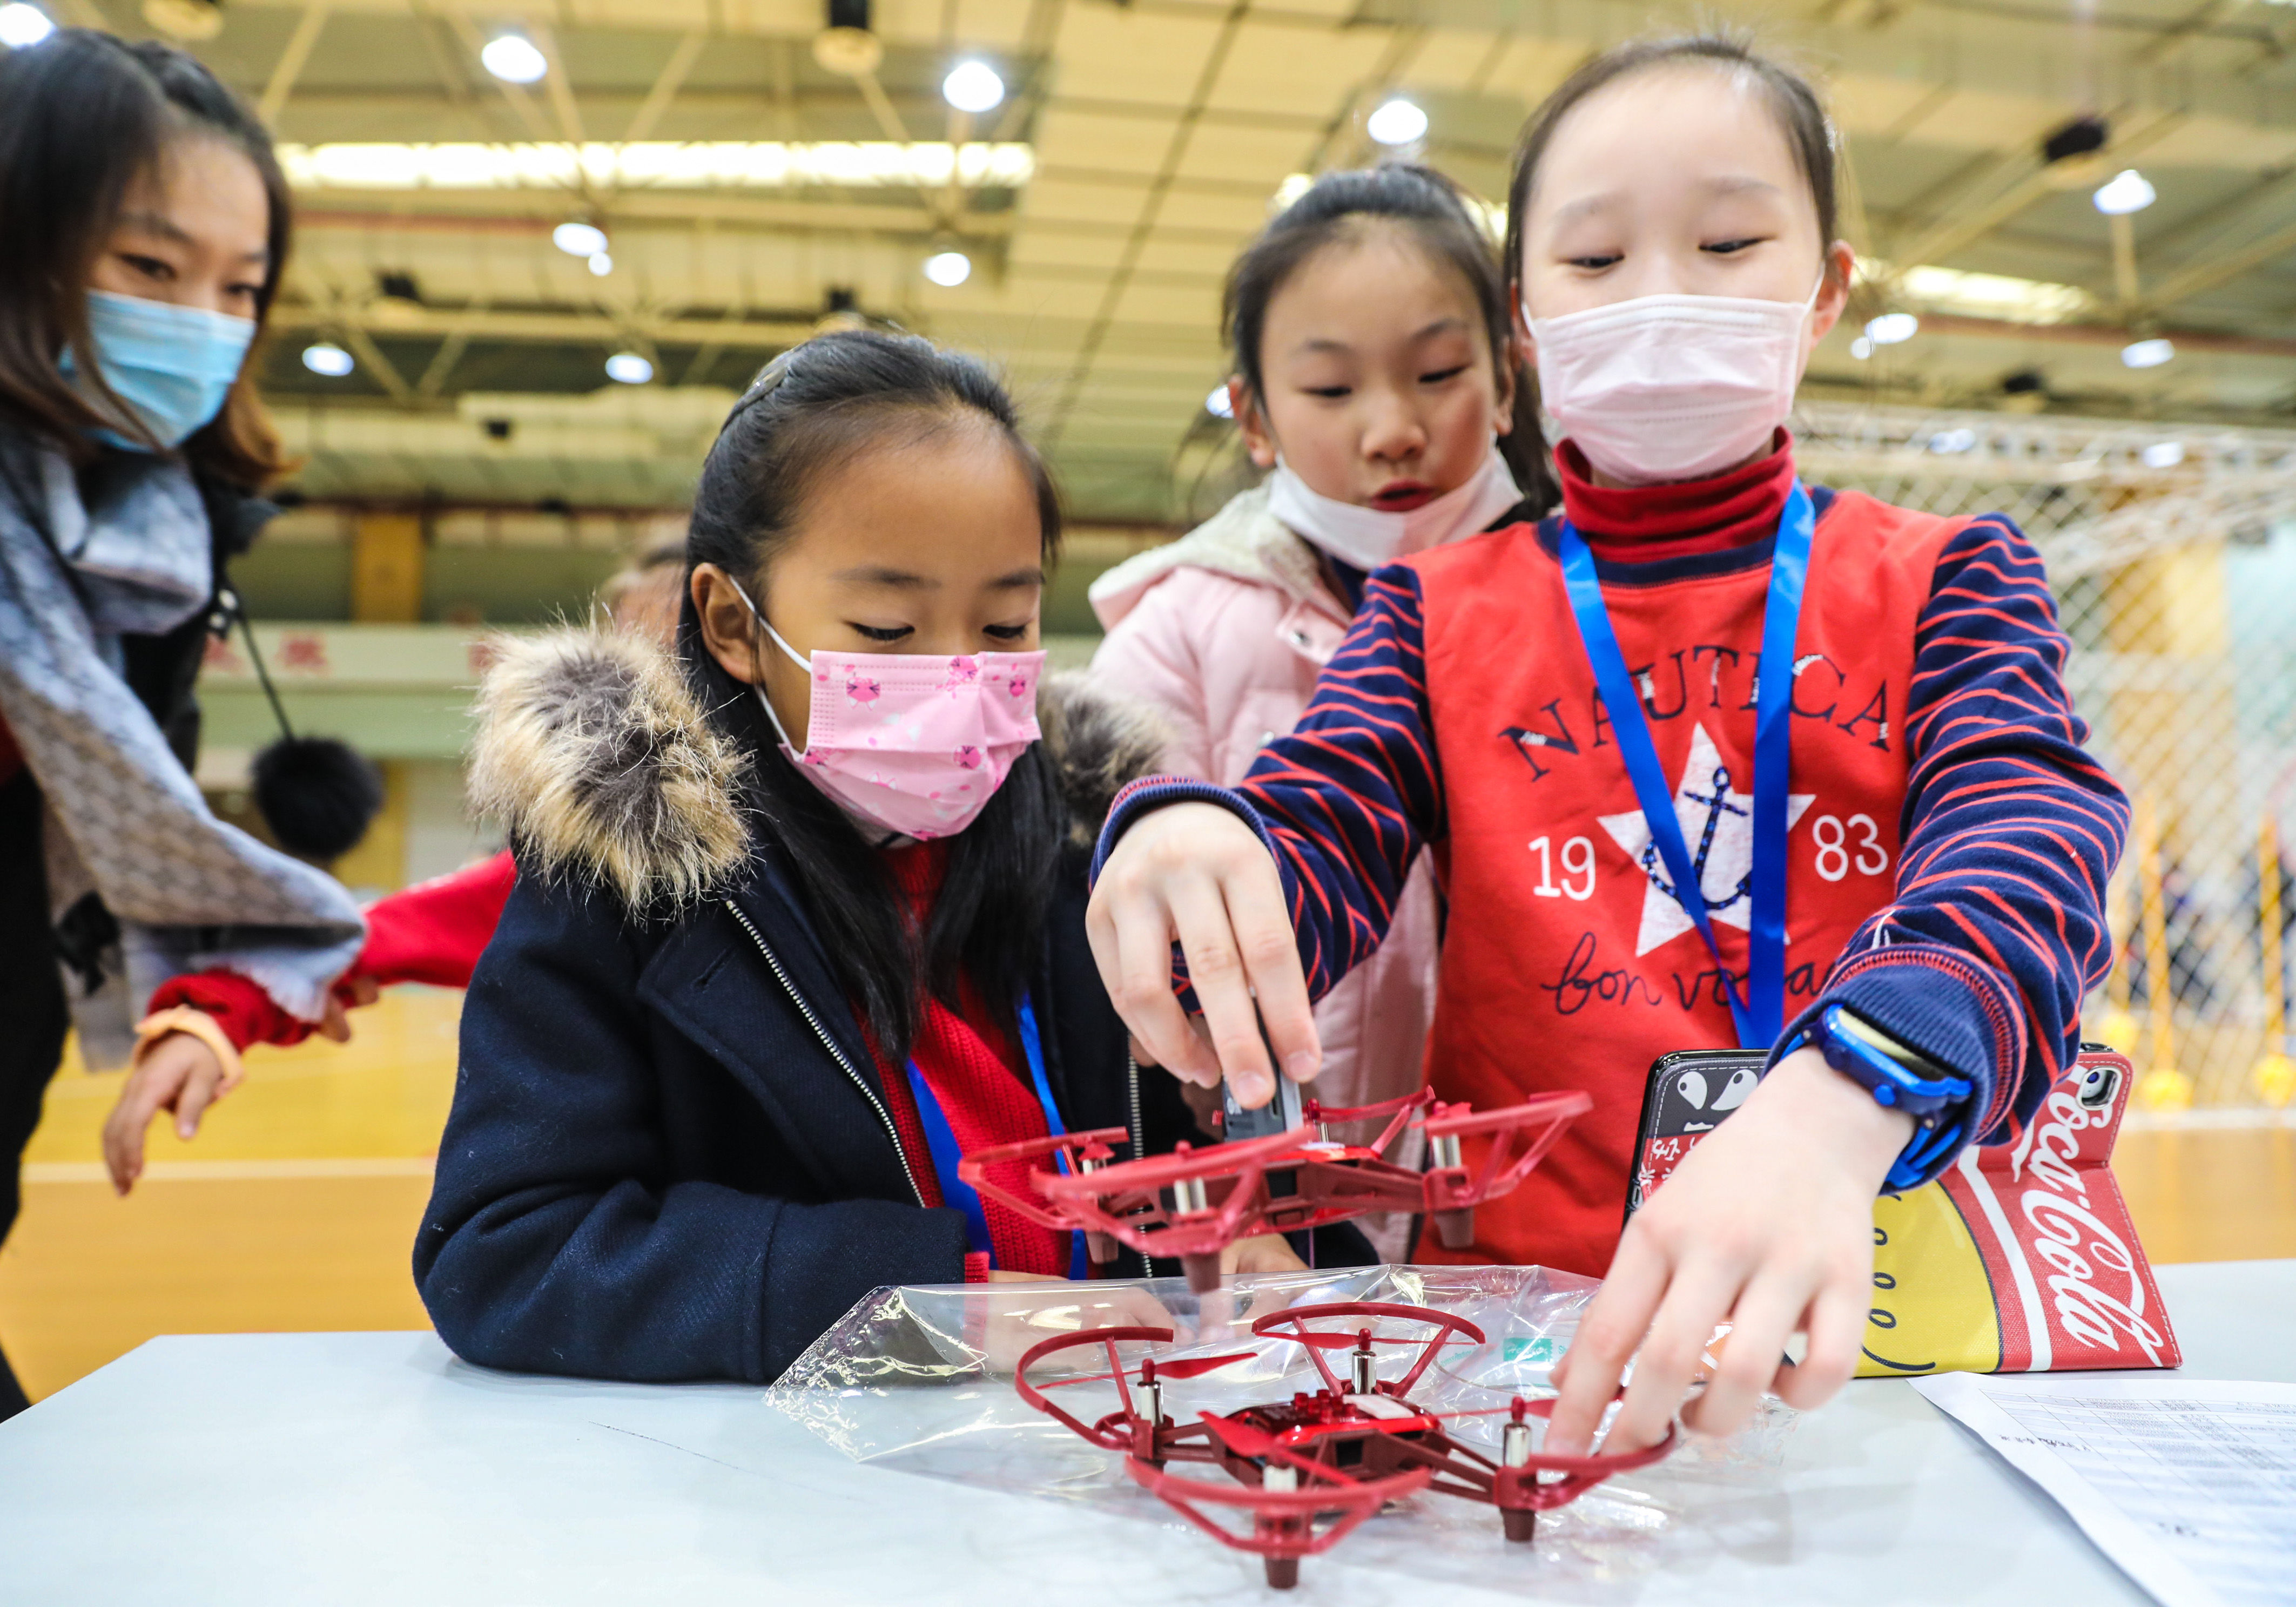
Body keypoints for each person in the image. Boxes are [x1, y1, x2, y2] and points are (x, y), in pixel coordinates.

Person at [1085, 33, 2125, 1461]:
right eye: (1593, 261)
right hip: (1525, 1339)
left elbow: (2029, 838)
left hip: (1876, 1316)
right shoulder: (1433, 612)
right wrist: (1198, 840)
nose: (1661, 297)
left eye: (1726, 241)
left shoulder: (1947, 574)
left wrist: (1854, 1090)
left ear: (1824, 287)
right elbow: (1318, 824)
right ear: (1524, 323)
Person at [414, 331, 1339, 1386]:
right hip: (783, 1498)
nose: (957, 674)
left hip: (1086, 1460)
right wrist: (910, 1304)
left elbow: (1185, 1165)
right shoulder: (626, 884)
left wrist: (1245, 1232)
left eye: (1004, 622)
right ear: (731, 621)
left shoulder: (1085, 856)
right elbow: (507, 1252)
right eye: (888, 627)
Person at [0, 31, 365, 1419]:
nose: (199, 321)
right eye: (150, 269)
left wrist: (202, 991)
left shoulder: (161, 543)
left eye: (240, 288)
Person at [1087, 167, 1546, 1254]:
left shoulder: (1586, 621)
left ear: (1511, 381)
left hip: (1533, 1200)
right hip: (1273, 1227)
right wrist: (1217, 1198)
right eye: (1332, 392)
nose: (1392, 431)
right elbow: (1117, 966)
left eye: (1438, 374)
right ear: (1251, 413)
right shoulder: (1176, 629)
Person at [99, 522, 696, 1193]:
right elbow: (374, 934)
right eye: (635, 657)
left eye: (682, 652)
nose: (658, 691)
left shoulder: (826, 837)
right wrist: (212, 1016)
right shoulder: (586, 873)